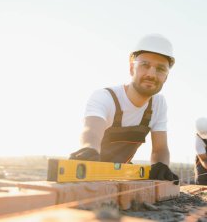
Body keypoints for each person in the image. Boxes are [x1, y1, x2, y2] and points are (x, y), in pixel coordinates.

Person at [69, 34, 179, 184]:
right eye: (145, 65)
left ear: (166, 77)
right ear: (131, 68)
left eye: (160, 69)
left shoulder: (158, 104)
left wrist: (161, 165)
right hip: (91, 174)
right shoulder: (105, 97)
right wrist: (89, 149)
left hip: (121, 176)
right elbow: (91, 131)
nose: (151, 74)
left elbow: (159, 149)